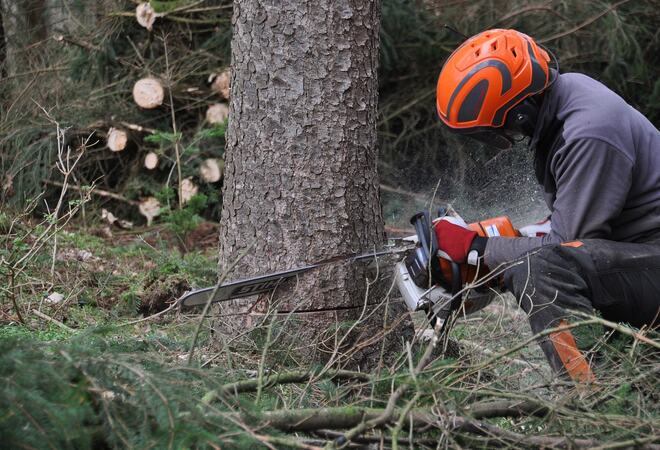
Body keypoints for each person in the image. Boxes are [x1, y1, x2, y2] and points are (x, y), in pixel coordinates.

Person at [432, 28, 660, 381]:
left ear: (520, 112)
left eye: (494, 130)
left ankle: (593, 403)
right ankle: (627, 376)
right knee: (538, 262)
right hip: (642, 254)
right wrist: (498, 239)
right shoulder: (564, 99)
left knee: (542, 272)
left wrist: (479, 249)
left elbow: (565, 250)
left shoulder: (587, 133)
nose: (499, 139)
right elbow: (574, 225)